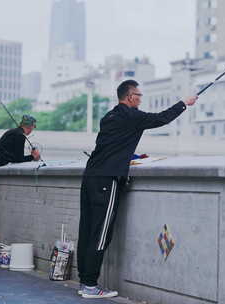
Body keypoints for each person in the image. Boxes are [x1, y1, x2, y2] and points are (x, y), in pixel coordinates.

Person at [77, 80, 198, 299]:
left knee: (87, 230)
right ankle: (90, 286)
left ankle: (84, 281)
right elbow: (160, 118)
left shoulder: (109, 117)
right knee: (101, 233)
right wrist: (184, 103)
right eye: (139, 96)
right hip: (107, 179)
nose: (141, 100)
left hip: (90, 177)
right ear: (131, 96)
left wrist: (131, 157)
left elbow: (111, 146)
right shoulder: (132, 116)